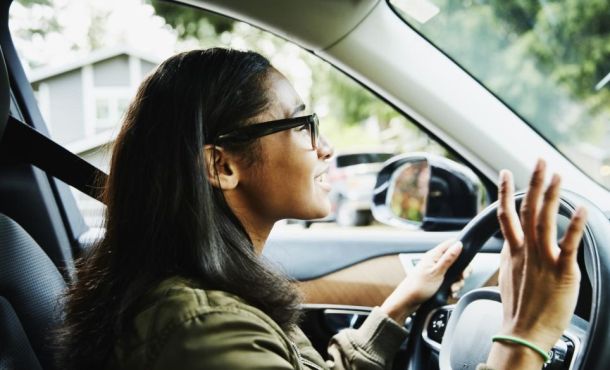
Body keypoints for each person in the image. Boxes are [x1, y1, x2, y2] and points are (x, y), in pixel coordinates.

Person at [56, 48, 587, 370]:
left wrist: (398, 306)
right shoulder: (199, 328)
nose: (325, 146)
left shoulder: (215, 293)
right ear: (221, 166)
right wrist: (523, 338)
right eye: (300, 125)